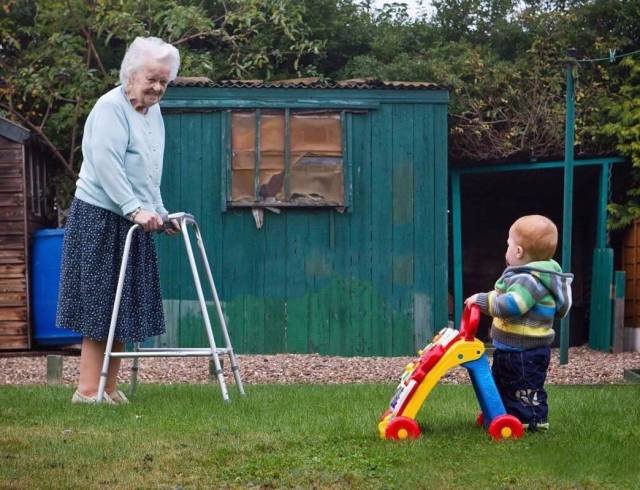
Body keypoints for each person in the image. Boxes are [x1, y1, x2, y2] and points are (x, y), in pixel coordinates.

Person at [56, 37, 181, 404]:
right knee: (101, 306)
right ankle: (87, 391)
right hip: (100, 217)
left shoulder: (153, 112)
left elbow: (149, 169)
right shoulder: (110, 107)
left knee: (123, 306)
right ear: (131, 74)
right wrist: (134, 208)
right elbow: (106, 164)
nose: (157, 87)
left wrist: (159, 210)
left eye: (164, 81)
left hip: (133, 217)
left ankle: (108, 388)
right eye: (151, 79)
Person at [465, 215, 573, 431]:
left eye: (508, 244)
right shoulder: (525, 276)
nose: (506, 250)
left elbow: (512, 305)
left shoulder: (530, 279)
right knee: (504, 382)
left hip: (525, 353)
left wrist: (482, 301)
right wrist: (488, 297)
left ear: (518, 252)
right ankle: (501, 413)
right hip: (512, 349)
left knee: (523, 387)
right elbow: (502, 294)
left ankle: (532, 420)